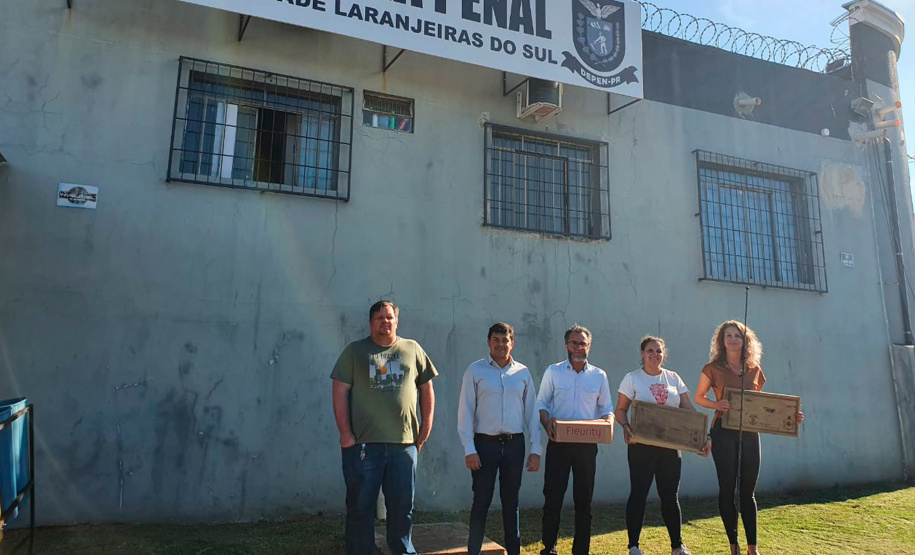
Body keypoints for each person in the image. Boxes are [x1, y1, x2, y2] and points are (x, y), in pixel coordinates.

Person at [331, 301, 438, 555]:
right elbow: (339, 391)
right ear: (370, 323)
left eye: (389, 317)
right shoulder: (355, 352)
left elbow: (426, 390)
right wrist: (346, 435)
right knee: (360, 508)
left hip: (403, 446)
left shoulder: (412, 349)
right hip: (363, 447)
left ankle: (403, 551)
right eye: (379, 318)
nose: (385, 321)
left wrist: (425, 429)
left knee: (402, 508)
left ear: (396, 321)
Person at [693, 321, 804, 555]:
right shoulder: (712, 368)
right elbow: (699, 397)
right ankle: (734, 546)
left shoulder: (754, 368)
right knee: (727, 489)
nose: (733, 339)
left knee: (747, 492)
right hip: (723, 432)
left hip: (750, 434)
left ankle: (753, 548)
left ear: (745, 341)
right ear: (721, 341)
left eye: (738, 336)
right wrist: (716, 404)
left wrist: (790, 416)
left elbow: (763, 406)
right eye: (728, 336)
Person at [457, 322, 542, 555]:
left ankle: (513, 551)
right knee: (481, 501)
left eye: (505, 340)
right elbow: (465, 412)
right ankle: (473, 551)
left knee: (511, 502)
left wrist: (536, 450)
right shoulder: (475, 371)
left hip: (515, 445)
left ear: (512, 343)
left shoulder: (522, 373)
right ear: (488, 342)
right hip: (485, 445)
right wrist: (469, 449)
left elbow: (532, 413)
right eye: (496, 339)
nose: (501, 344)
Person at [615, 336, 704, 555]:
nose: (655, 355)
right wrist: (626, 427)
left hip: (670, 448)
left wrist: (703, 435)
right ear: (642, 354)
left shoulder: (673, 378)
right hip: (641, 447)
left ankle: (677, 546)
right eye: (650, 351)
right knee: (639, 494)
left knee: (670, 496)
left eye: (659, 351)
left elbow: (687, 408)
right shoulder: (632, 378)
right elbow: (620, 410)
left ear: (664, 354)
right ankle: (634, 546)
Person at [537, 325, 614, 555]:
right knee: (552, 497)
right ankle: (549, 547)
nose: (578, 347)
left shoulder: (599, 375)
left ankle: (581, 550)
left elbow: (606, 408)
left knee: (584, 501)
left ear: (588, 346)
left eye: (582, 343)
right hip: (558, 443)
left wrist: (608, 422)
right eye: (574, 342)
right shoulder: (554, 371)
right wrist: (546, 422)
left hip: (587, 446)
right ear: (566, 345)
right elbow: (541, 404)